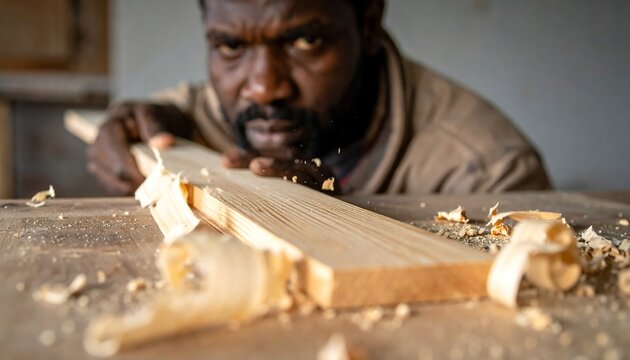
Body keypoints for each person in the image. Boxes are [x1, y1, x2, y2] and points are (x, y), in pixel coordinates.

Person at [87, 0, 551, 196]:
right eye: (231, 47)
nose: (265, 88)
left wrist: (337, 219)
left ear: (368, 26)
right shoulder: (193, 117)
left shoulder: (487, 172)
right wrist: (139, 137)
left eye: (305, 41)